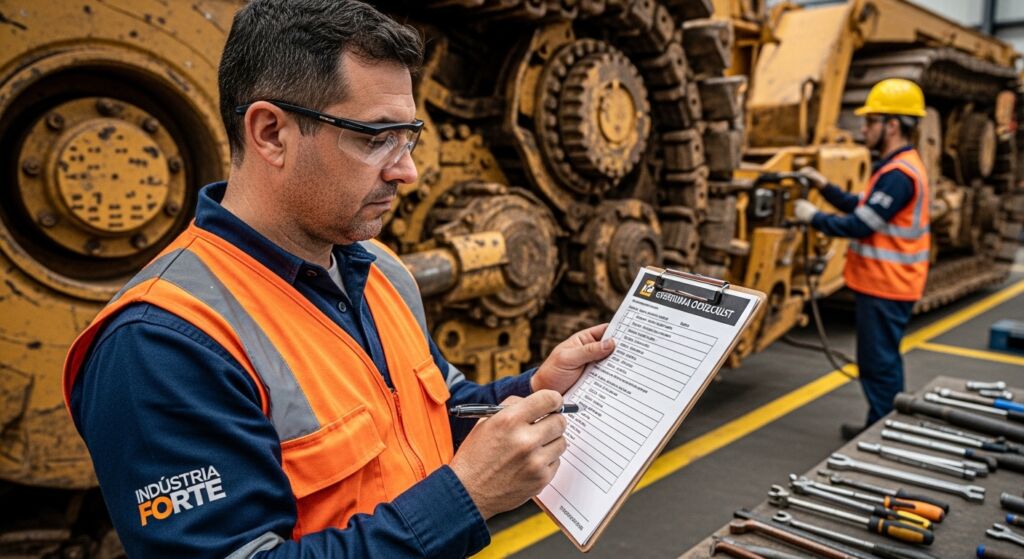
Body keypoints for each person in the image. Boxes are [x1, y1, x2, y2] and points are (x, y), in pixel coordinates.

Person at [60, 1, 616, 557]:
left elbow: (434, 414)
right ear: (271, 132)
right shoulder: (161, 344)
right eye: (376, 138)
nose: (407, 171)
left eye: (408, 136)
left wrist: (535, 391)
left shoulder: (379, 271)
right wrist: (464, 496)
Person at [793, 78, 930, 439]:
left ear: (893, 125)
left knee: (879, 364)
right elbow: (863, 206)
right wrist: (825, 186)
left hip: (889, 284)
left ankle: (883, 432)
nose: (864, 129)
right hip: (884, 282)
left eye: (870, 122)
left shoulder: (899, 175)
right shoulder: (895, 167)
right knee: (878, 361)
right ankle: (880, 423)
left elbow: (860, 224)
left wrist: (812, 217)